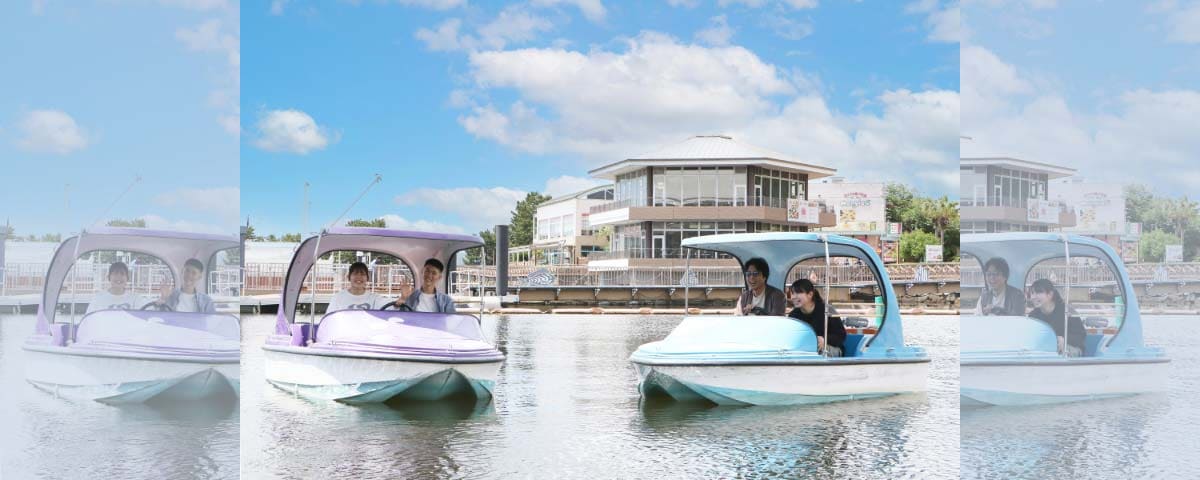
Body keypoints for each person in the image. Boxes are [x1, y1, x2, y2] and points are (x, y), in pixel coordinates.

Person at [788, 278, 847, 357]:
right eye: (792, 293)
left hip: (830, 348)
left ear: (810, 294)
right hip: (804, 349)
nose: (793, 297)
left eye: (798, 292)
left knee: (815, 349)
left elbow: (841, 335)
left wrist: (824, 340)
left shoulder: (827, 310)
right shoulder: (793, 315)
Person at [1027, 278, 1086, 357]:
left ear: (1050, 294)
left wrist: (1064, 340)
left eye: (1038, 292)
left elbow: (1081, 335)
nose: (1033, 297)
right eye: (1032, 293)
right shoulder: (1033, 315)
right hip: (1043, 350)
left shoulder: (1067, 311)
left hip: (1070, 348)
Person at [327, 261, 401, 311]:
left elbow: (392, 306)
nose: (359, 277)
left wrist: (403, 298)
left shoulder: (375, 298)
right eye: (355, 273)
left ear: (367, 278)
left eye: (362, 274)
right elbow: (329, 320)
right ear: (349, 277)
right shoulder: (338, 298)